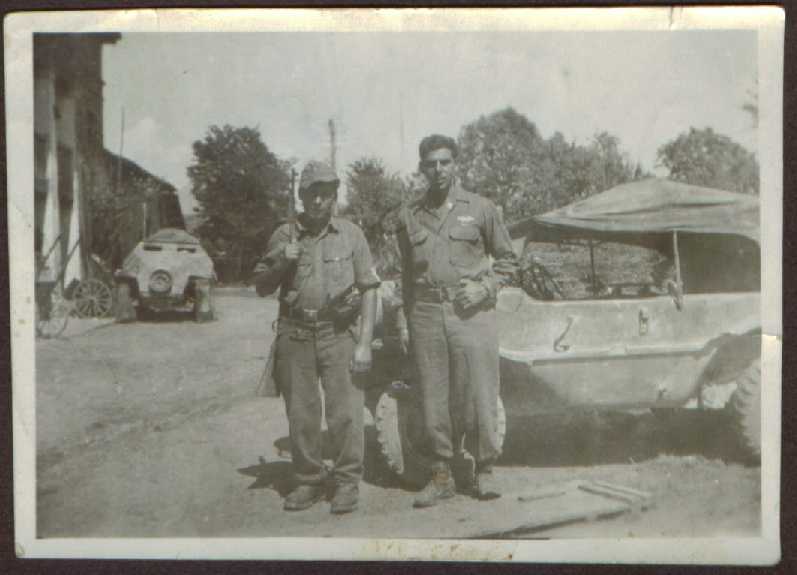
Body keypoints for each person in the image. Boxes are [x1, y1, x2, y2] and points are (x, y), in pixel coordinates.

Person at [393, 135, 518, 508]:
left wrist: (485, 289)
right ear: (421, 168)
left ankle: (485, 470)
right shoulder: (409, 215)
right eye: (431, 163)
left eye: (445, 162)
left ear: (456, 164)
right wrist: (403, 317)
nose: (438, 169)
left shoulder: (480, 208)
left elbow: (509, 261)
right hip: (426, 312)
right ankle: (442, 474)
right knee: (433, 395)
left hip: (472, 313)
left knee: (479, 392)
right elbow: (404, 272)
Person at [255, 160, 379, 514]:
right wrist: (283, 260)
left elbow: (369, 288)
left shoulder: (352, 234)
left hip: (338, 333)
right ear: (301, 196)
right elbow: (261, 286)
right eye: (312, 194)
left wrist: (365, 342)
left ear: (334, 197)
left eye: (327, 194)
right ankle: (309, 479)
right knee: (302, 414)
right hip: (295, 334)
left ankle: (345, 482)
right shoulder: (284, 235)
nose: (319, 201)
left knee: (345, 412)